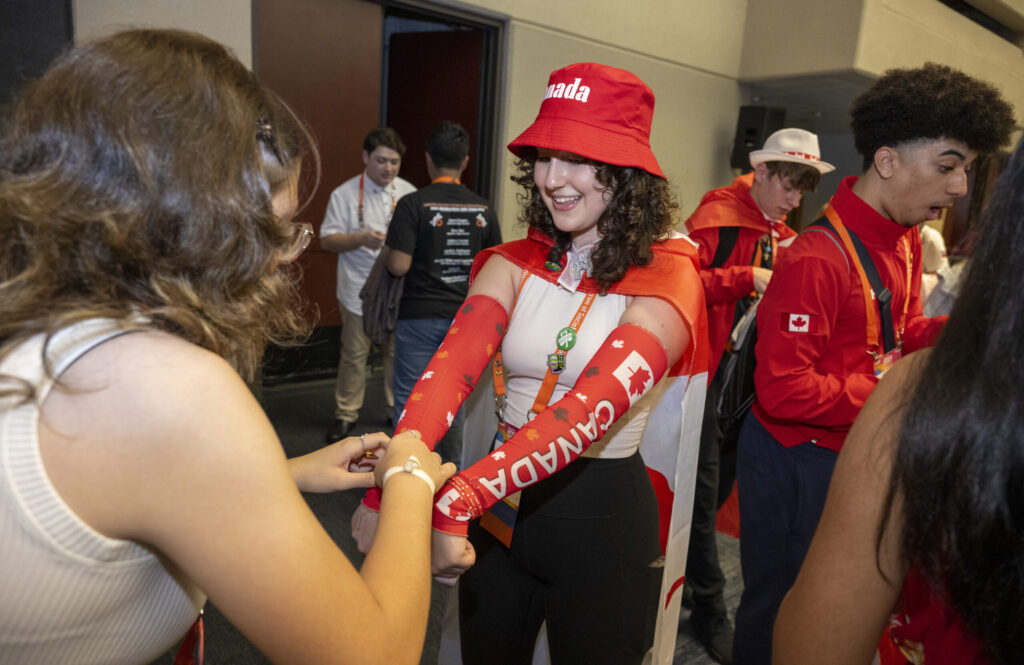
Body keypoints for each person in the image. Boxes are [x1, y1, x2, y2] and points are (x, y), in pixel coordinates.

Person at [0, 29, 453, 665]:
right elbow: (376, 655)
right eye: (272, 230)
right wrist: (410, 477)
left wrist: (278, 479)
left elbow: (123, 492)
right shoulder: (162, 385)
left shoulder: (48, 323)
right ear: (195, 223)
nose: (284, 258)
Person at [353, 62, 708, 665]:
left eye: (579, 159)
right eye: (545, 157)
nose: (553, 179)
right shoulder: (514, 260)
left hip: (601, 520)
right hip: (499, 517)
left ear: (628, 172)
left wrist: (456, 496)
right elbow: (451, 370)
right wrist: (396, 475)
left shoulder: (670, 276)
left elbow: (590, 410)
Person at [731, 62, 1015, 665]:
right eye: (949, 166)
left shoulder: (904, 239)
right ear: (887, 162)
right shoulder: (815, 259)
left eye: (965, 169)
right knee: (782, 607)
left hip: (850, 448)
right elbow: (784, 391)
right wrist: (896, 391)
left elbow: (899, 333)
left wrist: (972, 331)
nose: (961, 187)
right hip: (793, 460)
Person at [681, 128, 833, 664]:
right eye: (788, 186)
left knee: (719, 485)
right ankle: (708, 609)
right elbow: (679, 284)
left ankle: (687, 584)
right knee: (702, 496)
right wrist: (747, 275)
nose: (794, 200)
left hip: (742, 378)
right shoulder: (718, 214)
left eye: (801, 191)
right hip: (699, 371)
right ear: (762, 173)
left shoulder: (778, 227)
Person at [385, 120, 502, 466]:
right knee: (454, 401)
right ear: (465, 162)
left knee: (410, 399)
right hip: (464, 320)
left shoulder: (412, 204)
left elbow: (398, 266)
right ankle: (447, 478)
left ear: (427, 159)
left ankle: (402, 480)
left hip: (418, 315)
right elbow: (494, 267)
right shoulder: (483, 209)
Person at [320, 127, 417, 442]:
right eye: (381, 161)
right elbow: (328, 239)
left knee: (396, 353)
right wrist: (360, 239)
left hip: (397, 291)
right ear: (365, 157)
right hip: (357, 289)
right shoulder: (344, 194)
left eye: (394, 162)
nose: (388, 168)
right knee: (354, 354)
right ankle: (346, 414)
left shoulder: (408, 193)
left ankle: (395, 408)